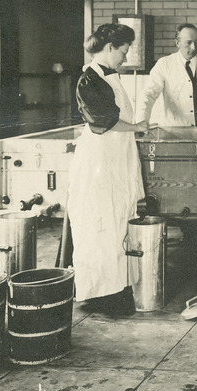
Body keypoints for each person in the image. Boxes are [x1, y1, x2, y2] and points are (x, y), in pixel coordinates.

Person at [67, 23, 148, 317]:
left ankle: (115, 287)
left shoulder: (109, 76)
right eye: (123, 52)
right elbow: (102, 122)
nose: (125, 58)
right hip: (99, 163)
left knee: (118, 224)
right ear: (110, 48)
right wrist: (137, 127)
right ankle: (99, 293)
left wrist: (134, 130)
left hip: (116, 160)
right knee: (100, 227)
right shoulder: (88, 80)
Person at [136, 23, 197, 127]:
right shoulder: (164, 64)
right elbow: (148, 94)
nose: (193, 47)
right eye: (189, 42)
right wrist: (142, 121)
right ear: (177, 43)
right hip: (176, 128)